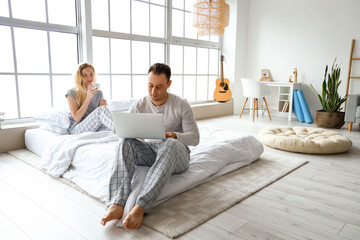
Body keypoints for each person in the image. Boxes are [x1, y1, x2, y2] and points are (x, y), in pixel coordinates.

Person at [101, 63, 200, 229]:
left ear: (169, 84)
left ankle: (141, 206)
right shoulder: (139, 105)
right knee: (125, 143)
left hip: (176, 155)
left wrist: (173, 135)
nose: (154, 92)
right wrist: (133, 132)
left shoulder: (181, 104)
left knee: (170, 144)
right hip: (151, 153)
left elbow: (195, 138)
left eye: (159, 87)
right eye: (150, 86)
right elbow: (120, 131)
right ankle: (117, 204)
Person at [66, 63, 113, 134]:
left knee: (110, 128)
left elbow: (99, 117)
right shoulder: (72, 92)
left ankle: (130, 134)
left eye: (91, 74)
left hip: (93, 125)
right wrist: (88, 97)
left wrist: (104, 105)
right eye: (85, 75)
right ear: (80, 77)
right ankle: (123, 131)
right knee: (101, 110)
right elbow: (76, 118)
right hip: (77, 128)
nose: (89, 77)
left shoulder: (98, 93)